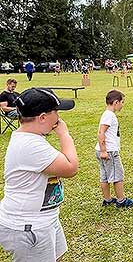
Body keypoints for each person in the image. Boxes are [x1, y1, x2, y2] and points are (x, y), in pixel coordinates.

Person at [0, 87, 78, 262]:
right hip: (28, 226)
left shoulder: (31, 138)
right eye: (56, 112)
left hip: (44, 219)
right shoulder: (29, 145)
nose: (58, 117)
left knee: (57, 255)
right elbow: (71, 167)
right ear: (42, 117)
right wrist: (64, 134)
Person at [95, 89, 133, 207]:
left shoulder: (106, 114)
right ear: (116, 102)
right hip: (109, 151)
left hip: (102, 150)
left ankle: (107, 199)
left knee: (105, 176)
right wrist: (104, 151)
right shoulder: (109, 115)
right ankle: (121, 200)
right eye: (122, 102)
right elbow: (101, 132)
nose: (122, 105)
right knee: (117, 175)